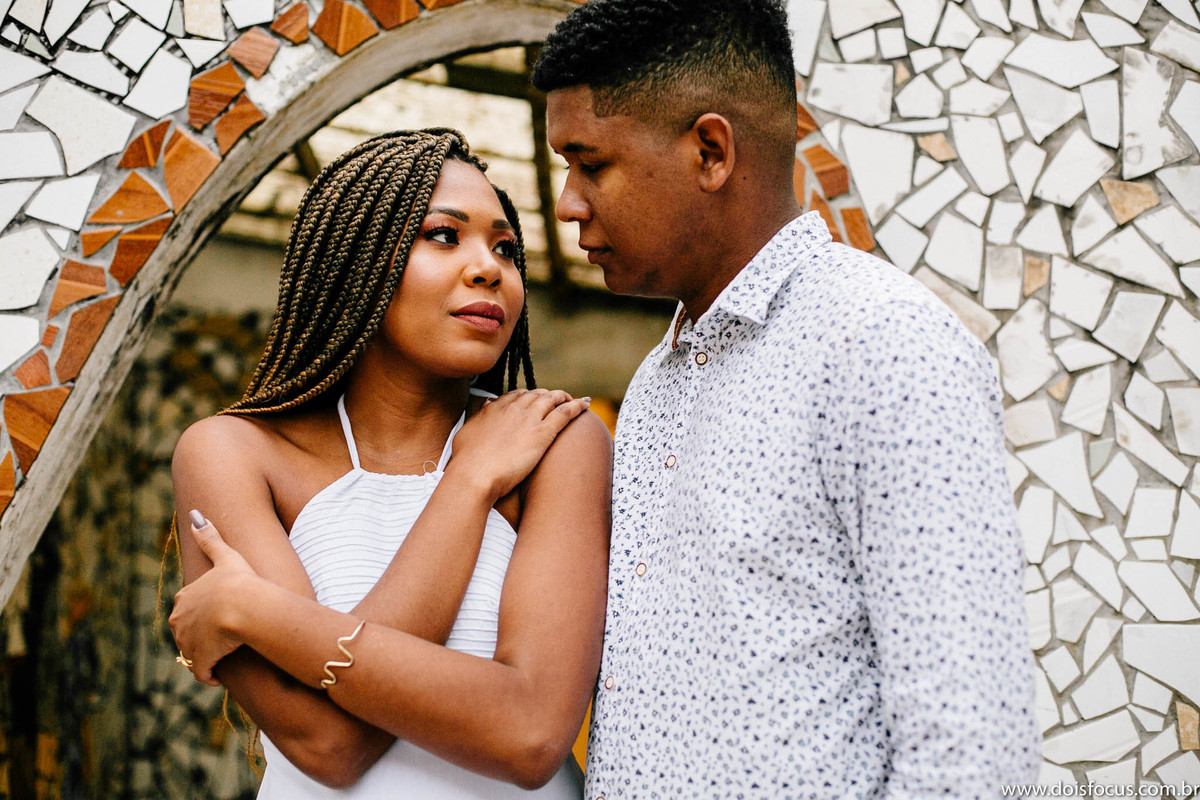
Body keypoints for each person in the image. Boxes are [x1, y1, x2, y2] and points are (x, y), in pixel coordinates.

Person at [531, 1, 1041, 797]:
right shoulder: (658, 381)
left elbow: (972, 757)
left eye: (589, 163)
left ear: (710, 151)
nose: (566, 201)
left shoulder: (885, 347)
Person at [167, 129, 612, 798]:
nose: (489, 267)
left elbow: (529, 735)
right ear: (355, 261)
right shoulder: (233, 453)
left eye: (505, 248)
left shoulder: (554, 442)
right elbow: (330, 744)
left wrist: (251, 608)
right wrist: (467, 485)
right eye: (443, 235)